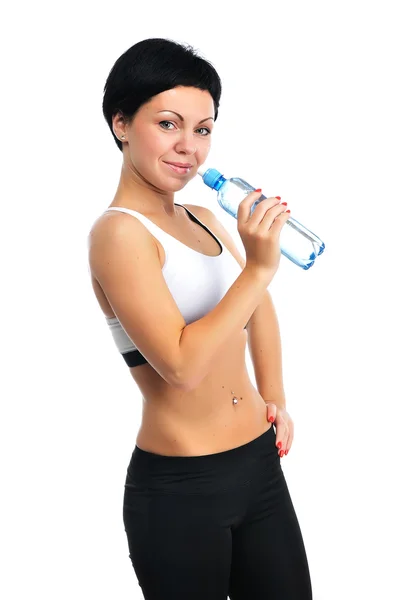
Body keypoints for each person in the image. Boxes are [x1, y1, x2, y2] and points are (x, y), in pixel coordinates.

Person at [88, 37, 312, 599]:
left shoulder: (206, 216)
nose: (189, 147)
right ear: (121, 123)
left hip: (259, 466)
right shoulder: (118, 233)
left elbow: (257, 310)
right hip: (181, 490)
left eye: (203, 129)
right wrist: (259, 268)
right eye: (168, 124)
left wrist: (275, 397)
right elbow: (182, 364)